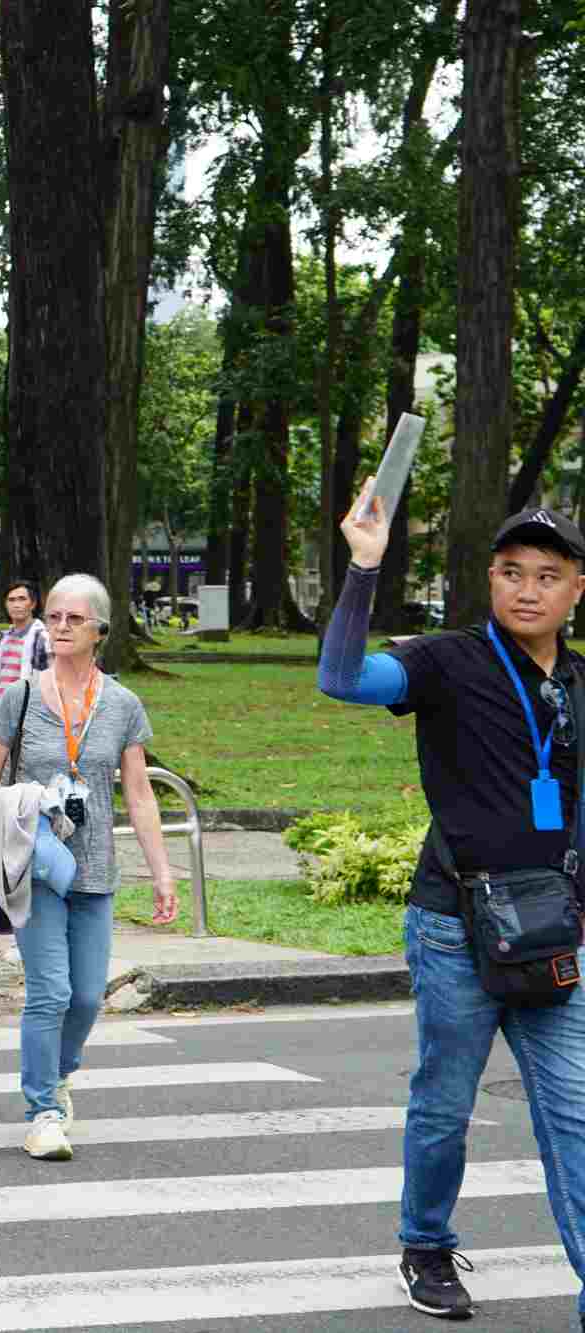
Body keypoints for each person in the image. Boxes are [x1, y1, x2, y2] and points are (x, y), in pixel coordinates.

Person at [320, 497, 585, 1324]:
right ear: (491, 579)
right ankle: (425, 1242)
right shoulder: (447, 660)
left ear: (578, 588)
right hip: (455, 923)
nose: (528, 590)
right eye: (512, 573)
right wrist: (365, 568)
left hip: (554, 931)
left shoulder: (578, 683)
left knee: (575, 1115)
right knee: (445, 1100)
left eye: (548, 576)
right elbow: (342, 678)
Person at [0, 572, 179, 1163]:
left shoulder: (120, 705)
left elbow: (139, 794)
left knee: (88, 996)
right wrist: (17, 800)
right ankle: (41, 1110)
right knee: (51, 991)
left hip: (94, 868)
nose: (60, 627)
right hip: (34, 863)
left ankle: (60, 1076)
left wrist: (162, 872)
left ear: (100, 632)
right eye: (54, 618)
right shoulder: (20, 695)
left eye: (73, 620)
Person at [0, 580, 50, 695]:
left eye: (22, 599)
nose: (16, 605)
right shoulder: (4, 638)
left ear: (33, 604)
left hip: (30, 709)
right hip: (3, 709)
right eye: (11, 600)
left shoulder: (43, 638)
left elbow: (51, 679)